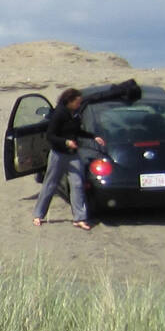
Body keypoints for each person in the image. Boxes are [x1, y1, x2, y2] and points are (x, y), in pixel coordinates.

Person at [32, 87, 98, 229]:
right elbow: (50, 135)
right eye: (77, 102)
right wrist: (66, 142)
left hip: (73, 155)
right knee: (50, 184)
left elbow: (78, 131)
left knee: (78, 184)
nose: (79, 105)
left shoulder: (75, 113)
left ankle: (79, 218)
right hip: (58, 155)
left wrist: (93, 137)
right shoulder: (59, 114)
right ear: (69, 101)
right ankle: (38, 215)